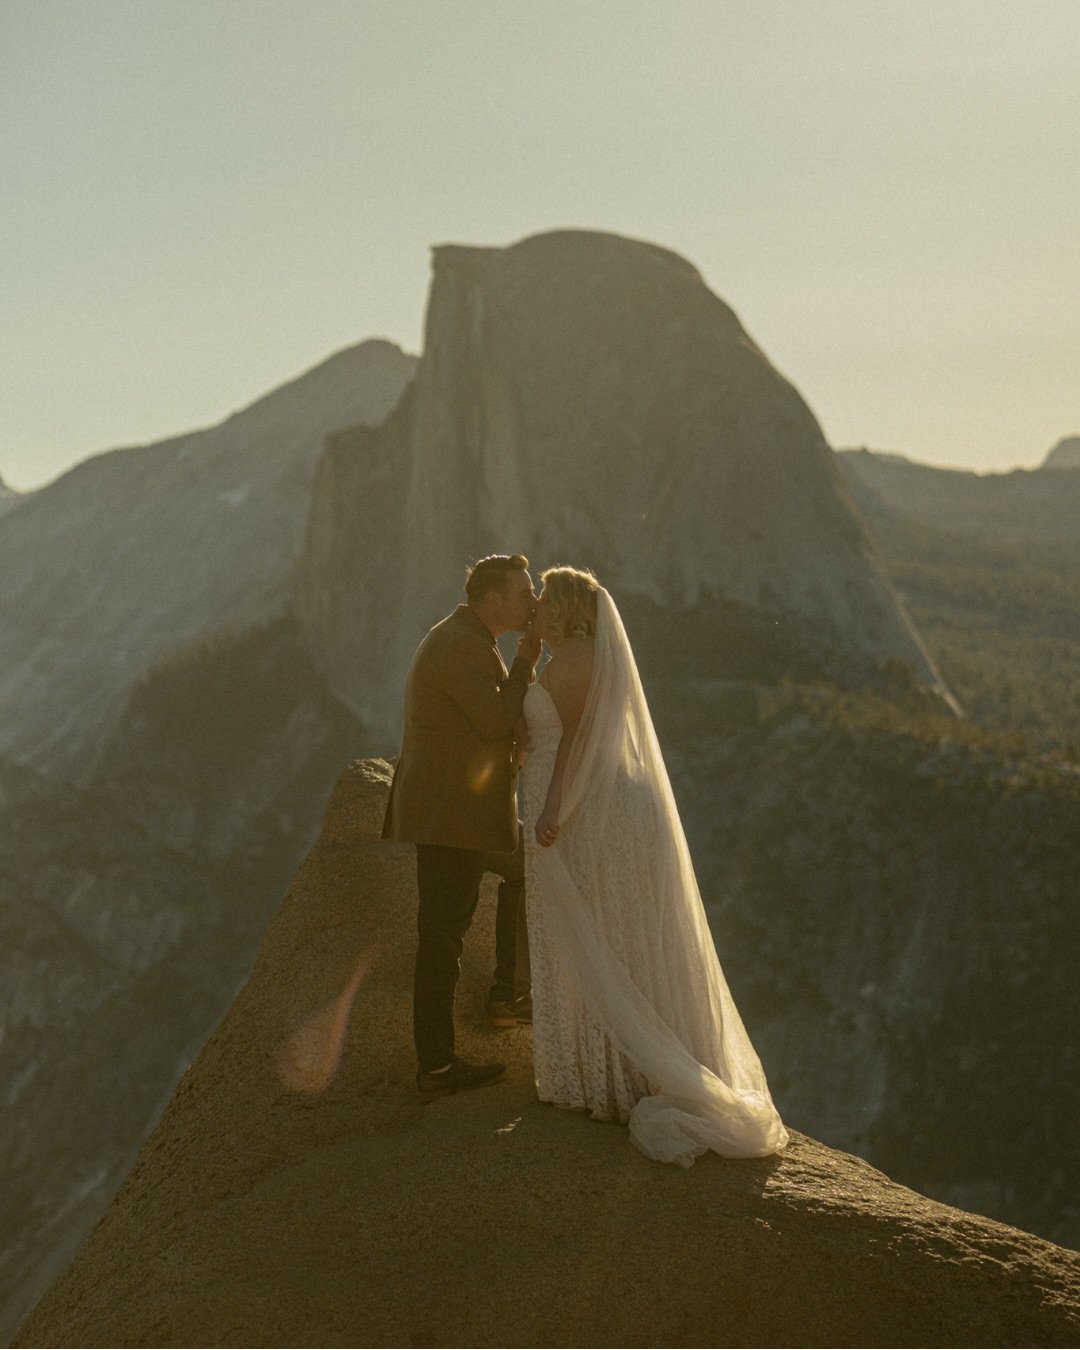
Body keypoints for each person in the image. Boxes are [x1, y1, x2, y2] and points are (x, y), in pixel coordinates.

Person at [522, 566, 789, 1164]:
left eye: (542, 600)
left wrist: (553, 809)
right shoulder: (580, 655)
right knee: (621, 935)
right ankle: (626, 1072)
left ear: (562, 608)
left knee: (586, 934)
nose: (534, 608)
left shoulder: (569, 662)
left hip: (584, 810)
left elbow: (569, 743)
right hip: (611, 804)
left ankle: (603, 1079)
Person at [383, 554, 541, 1100]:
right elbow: (495, 719)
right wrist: (526, 660)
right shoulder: (459, 644)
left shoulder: (469, 639)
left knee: (523, 871)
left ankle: (507, 995)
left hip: (459, 815)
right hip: (450, 818)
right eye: (524, 594)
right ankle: (438, 1066)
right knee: (441, 939)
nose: (533, 603)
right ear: (492, 599)